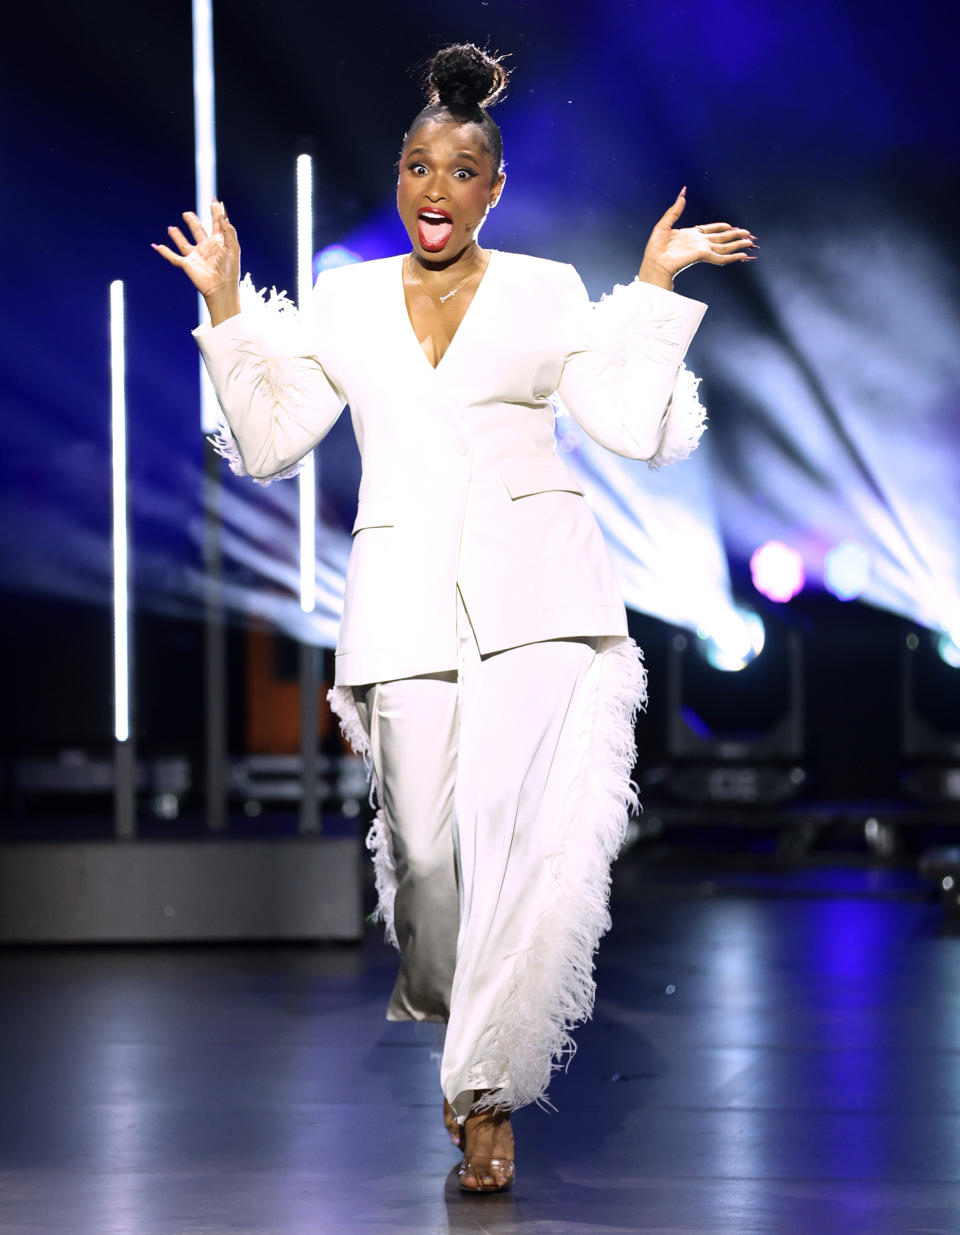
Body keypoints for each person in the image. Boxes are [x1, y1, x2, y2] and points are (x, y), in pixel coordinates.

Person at [154, 41, 757, 1193]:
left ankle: (483, 1093)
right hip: (402, 602)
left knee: (504, 836)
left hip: (538, 594)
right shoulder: (345, 302)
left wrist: (655, 286)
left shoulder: (543, 289)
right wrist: (229, 306)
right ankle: (460, 1007)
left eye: (461, 168)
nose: (436, 188)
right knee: (426, 854)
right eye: (418, 166)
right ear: (402, 178)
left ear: (494, 189)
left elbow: (635, 425)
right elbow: (274, 443)